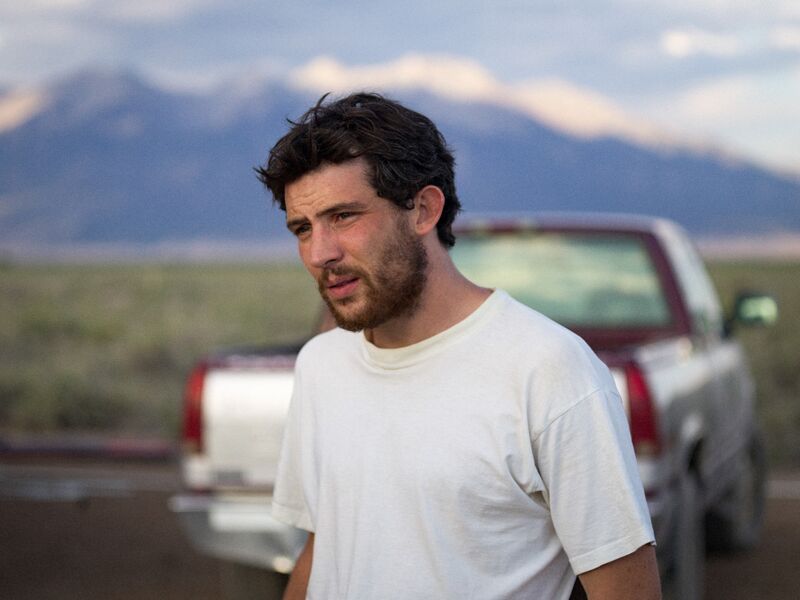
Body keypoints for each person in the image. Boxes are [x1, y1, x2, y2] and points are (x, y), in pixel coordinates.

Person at [256, 92, 661, 600]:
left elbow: (626, 591)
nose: (319, 253)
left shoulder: (547, 368)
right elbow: (323, 549)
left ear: (423, 209)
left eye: (344, 217)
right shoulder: (321, 365)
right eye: (302, 228)